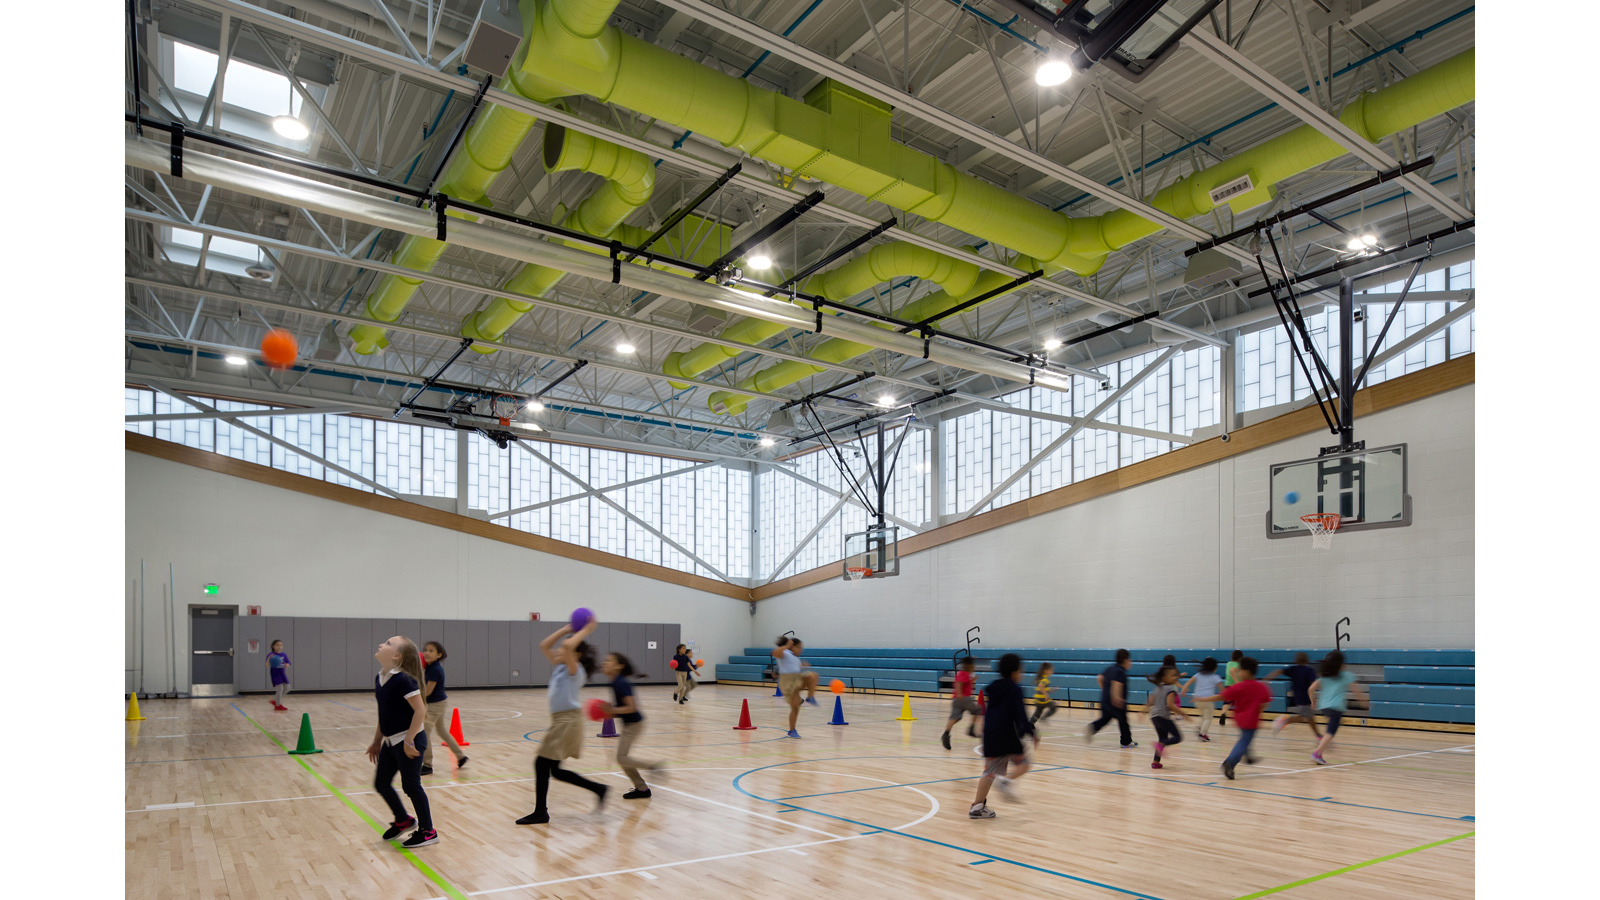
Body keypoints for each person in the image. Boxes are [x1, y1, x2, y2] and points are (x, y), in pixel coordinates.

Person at [517, 620, 607, 825]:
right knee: (555, 770)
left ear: (576, 655)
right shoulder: (560, 668)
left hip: (569, 720)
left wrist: (586, 630)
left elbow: (566, 646)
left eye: (566, 650)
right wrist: (566, 629)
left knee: (541, 763)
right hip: (560, 721)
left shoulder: (576, 671)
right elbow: (544, 646)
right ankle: (599, 789)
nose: (560, 650)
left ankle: (541, 812)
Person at [366, 635, 438, 848]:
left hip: (410, 741)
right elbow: (384, 713)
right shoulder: (380, 678)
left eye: (387, 643)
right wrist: (377, 740)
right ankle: (403, 820)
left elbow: (420, 710)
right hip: (390, 741)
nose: (381, 644)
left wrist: (409, 740)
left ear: (397, 656)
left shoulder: (403, 680)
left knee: (411, 785)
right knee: (381, 783)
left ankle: (428, 831)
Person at [968, 653, 1038, 819]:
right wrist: (1031, 731)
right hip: (1006, 735)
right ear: (1015, 672)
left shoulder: (993, 687)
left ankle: (977, 807)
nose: (1022, 673)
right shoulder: (1015, 689)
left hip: (990, 735)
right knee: (1024, 763)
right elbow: (1020, 714)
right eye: (1021, 670)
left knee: (989, 771)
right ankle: (1007, 781)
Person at [599, 652, 665, 799]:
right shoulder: (615, 682)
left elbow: (631, 707)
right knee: (623, 759)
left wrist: (612, 710)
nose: (604, 663)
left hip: (635, 724)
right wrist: (609, 712)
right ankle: (642, 789)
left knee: (621, 758)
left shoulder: (621, 683)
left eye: (608, 661)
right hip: (629, 724)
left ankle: (653, 767)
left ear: (619, 666)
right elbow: (622, 709)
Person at [1200, 656, 1271, 780]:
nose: (1238, 673)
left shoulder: (1238, 686)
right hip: (1252, 719)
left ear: (1246, 672)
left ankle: (1248, 755)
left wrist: (1202, 699)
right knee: (1244, 741)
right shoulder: (1261, 687)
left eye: (1240, 670)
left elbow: (1221, 697)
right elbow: (1264, 703)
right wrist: (1258, 712)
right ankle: (1230, 762)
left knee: (1245, 739)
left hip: (1240, 718)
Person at [419, 641, 468, 776]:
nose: (427, 653)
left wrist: (414, 694)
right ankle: (461, 757)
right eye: (425, 650)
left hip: (435, 705)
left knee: (424, 732)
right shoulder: (429, 667)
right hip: (439, 702)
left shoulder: (435, 670)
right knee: (442, 731)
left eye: (431, 651)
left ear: (439, 655)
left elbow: (428, 692)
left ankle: (427, 765)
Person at [1309, 650, 1365, 765]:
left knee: (1332, 724)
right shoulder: (1346, 675)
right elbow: (1356, 691)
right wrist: (1364, 701)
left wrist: (1313, 701)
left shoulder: (1324, 676)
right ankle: (1317, 753)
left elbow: (1310, 689)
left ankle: (1325, 742)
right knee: (1331, 732)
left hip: (1324, 707)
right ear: (1341, 664)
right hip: (1336, 707)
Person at [1085, 649, 1137, 748]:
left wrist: (1105, 690)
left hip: (1105, 700)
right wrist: (1116, 698)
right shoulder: (1120, 672)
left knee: (1105, 719)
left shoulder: (1110, 668)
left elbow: (1099, 678)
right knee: (1123, 721)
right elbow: (1116, 684)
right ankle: (1126, 742)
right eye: (1129, 660)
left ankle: (1092, 727)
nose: (1130, 662)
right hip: (1114, 702)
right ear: (1125, 660)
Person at [772, 636, 820, 738]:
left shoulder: (795, 657)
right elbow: (775, 653)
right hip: (788, 682)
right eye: (799, 647)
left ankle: (810, 697)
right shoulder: (785, 653)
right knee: (795, 708)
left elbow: (792, 666)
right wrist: (786, 646)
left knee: (813, 676)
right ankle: (792, 730)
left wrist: (802, 666)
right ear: (792, 646)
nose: (800, 650)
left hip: (797, 678)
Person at [1268, 652, 1324, 739]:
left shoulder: (1293, 669)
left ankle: (1318, 735)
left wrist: (1266, 679)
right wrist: (1314, 697)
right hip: (1305, 697)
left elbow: (1279, 671)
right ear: (1306, 660)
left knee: (1310, 717)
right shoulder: (1309, 670)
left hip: (1297, 697)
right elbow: (1313, 684)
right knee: (1305, 717)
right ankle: (1285, 720)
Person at [1146, 665, 1190, 769]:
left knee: (1163, 738)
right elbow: (1170, 705)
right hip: (1163, 717)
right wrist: (1183, 713)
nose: (1175, 677)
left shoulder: (1158, 688)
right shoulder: (1170, 689)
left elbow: (1150, 701)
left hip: (1154, 717)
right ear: (1164, 677)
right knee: (1177, 737)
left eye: (1176, 675)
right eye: (1172, 676)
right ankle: (1160, 745)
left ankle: (1155, 762)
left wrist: (1142, 711)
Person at [1182, 658, 1224, 742]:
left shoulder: (1198, 675)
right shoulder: (1216, 677)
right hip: (1207, 700)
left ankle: (1201, 728)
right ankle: (1202, 734)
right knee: (1208, 718)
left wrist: (1183, 690)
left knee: (1204, 716)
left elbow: (1188, 682)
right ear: (1214, 668)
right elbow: (1222, 690)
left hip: (1197, 700)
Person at [942, 656, 981, 749]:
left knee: (954, 718)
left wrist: (972, 680)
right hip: (964, 699)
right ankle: (971, 728)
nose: (973, 668)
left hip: (956, 700)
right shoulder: (964, 674)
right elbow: (959, 683)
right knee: (978, 710)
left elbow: (963, 683)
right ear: (968, 666)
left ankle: (946, 734)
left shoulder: (962, 674)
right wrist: (960, 693)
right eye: (972, 666)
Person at [1218, 650, 1244, 727]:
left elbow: (1230, 670)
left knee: (1227, 703)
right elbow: (1232, 671)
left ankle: (1223, 713)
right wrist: (1237, 682)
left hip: (1227, 685)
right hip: (1236, 686)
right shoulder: (1239, 665)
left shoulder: (1228, 663)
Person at [267, 640, 291, 711]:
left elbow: (287, 663)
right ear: (273, 646)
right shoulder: (271, 654)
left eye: (281, 645)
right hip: (275, 674)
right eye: (277, 645)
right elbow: (267, 664)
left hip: (282, 673)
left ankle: (275, 700)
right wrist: (269, 658)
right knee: (280, 689)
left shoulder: (284, 654)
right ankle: (277, 705)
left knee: (287, 687)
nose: (279, 647)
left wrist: (287, 665)